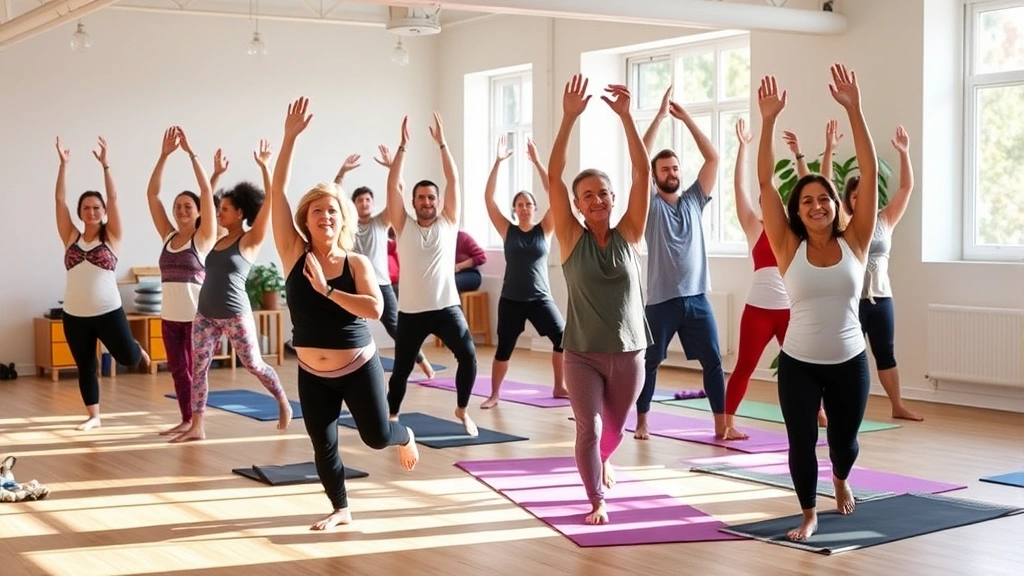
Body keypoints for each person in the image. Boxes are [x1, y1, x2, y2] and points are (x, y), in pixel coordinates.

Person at [270, 96, 419, 530]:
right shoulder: (292, 253)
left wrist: (327, 291)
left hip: (357, 364)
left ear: (343, 219)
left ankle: (404, 433)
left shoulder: (357, 264)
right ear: (307, 218)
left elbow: (374, 308)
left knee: (376, 437)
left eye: (332, 210)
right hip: (312, 371)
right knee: (323, 442)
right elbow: (277, 190)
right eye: (317, 211)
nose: (325, 216)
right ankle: (341, 508)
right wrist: (289, 138)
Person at [756, 64, 878, 541]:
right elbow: (766, 184)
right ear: (798, 210)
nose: (816, 206)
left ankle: (841, 478)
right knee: (802, 441)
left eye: (823, 199)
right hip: (800, 362)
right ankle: (808, 511)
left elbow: (867, 171)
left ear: (834, 203)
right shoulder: (788, 247)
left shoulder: (857, 240)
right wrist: (767, 121)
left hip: (849, 360)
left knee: (844, 441)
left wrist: (854, 109)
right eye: (806, 201)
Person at [548, 74, 652, 525]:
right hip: (582, 353)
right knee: (588, 428)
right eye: (586, 195)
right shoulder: (570, 238)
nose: (596, 200)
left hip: (630, 352)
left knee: (613, 429)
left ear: (613, 199)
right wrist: (569, 118)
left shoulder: (630, 233)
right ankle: (596, 500)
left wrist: (628, 118)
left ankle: (606, 460)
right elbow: (553, 174)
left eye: (603, 193)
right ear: (575, 203)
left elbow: (643, 172)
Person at [172, 139, 291, 443]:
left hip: (235, 314)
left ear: (240, 212)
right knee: (199, 369)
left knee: (253, 364)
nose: (219, 213)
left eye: (225, 209)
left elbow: (270, 205)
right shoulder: (217, 237)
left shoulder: (250, 240)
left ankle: (281, 398)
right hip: (205, 315)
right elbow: (205, 202)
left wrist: (265, 167)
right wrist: (213, 174)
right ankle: (197, 426)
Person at [725, 120, 833, 438]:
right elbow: (739, 190)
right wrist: (743, 147)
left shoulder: (795, 233)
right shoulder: (754, 227)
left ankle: (819, 411)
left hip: (790, 311)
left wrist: (803, 154)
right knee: (745, 365)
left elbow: (814, 186)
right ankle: (728, 423)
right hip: (757, 310)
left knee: (807, 366)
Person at [632, 86, 725, 440]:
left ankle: (721, 426)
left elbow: (713, 158)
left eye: (675, 168)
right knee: (650, 362)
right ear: (655, 175)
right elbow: (638, 162)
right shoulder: (652, 205)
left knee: (714, 362)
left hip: (698, 297)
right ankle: (642, 421)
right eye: (664, 169)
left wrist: (686, 120)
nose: (671, 172)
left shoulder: (693, 201)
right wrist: (657, 117)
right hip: (662, 300)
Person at [385, 113, 479, 435]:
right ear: (412, 202)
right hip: (411, 313)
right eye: (421, 197)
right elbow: (391, 186)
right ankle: (392, 418)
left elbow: (454, 181)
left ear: (439, 202)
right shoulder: (403, 226)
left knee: (468, 357)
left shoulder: (448, 222)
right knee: (400, 371)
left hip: (446, 309)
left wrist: (442, 143)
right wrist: (402, 147)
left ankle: (463, 409)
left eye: (431, 197)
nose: (426, 201)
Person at [54, 136, 150, 431]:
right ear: (80, 212)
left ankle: (134, 346)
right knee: (86, 366)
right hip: (74, 314)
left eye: (96, 207)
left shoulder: (113, 237)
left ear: (103, 211)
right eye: (86, 208)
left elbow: (115, 199)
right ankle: (94, 416)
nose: (91, 212)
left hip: (109, 312)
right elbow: (59, 201)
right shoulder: (71, 236)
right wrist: (64, 165)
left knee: (129, 358)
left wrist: (106, 165)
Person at [480, 134, 567, 409]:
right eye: (520, 204)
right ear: (515, 210)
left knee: (563, 339)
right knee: (504, 348)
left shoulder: (546, 229)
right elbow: (488, 199)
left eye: (529, 204)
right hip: (512, 300)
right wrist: (497, 162)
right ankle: (494, 394)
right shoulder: (508, 230)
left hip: (541, 298)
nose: (525, 208)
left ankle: (559, 386)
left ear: (535, 208)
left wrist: (538, 162)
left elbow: (554, 191)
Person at [842, 126, 921, 421]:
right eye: (854, 195)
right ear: (848, 199)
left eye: (866, 193)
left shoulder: (885, 219)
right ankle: (836, 409)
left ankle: (897, 406)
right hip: (852, 300)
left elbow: (906, 189)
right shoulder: (843, 223)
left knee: (885, 354)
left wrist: (904, 153)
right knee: (848, 356)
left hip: (881, 298)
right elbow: (824, 181)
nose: (860, 198)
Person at [336, 149, 436, 380]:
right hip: (351, 284)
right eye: (359, 200)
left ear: (373, 203)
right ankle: (343, 366)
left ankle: (423, 363)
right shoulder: (347, 224)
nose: (364, 203)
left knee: (397, 328)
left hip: (380, 284)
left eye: (367, 200)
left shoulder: (381, 222)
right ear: (353, 205)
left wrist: (394, 169)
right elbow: (334, 197)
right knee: (343, 325)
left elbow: (398, 194)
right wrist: (342, 173)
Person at [146, 126, 218, 436]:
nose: (181, 210)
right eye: (178, 207)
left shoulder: (203, 238)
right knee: (177, 371)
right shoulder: (168, 235)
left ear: (199, 211)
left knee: (195, 372)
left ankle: (196, 422)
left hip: (197, 318)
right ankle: (187, 419)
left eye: (187, 206)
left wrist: (191, 154)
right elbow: (152, 194)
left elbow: (205, 190)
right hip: (169, 318)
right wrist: (163, 156)